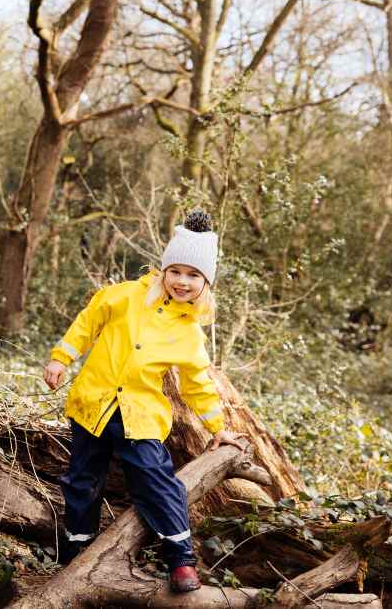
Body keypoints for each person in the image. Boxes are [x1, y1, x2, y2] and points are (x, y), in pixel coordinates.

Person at [42, 211, 246, 593]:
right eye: (177, 271)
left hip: (140, 415)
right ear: (164, 269)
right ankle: (76, 549)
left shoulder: (189, 333)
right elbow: (87, 323)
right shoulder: (124, 295)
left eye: (194, 276)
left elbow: (198, 383)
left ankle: (180, 559)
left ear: (205, 283)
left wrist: (218, 429)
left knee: (154, 478)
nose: (182, 282)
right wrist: (61, 357)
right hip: (93, 404)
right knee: (82, 479)